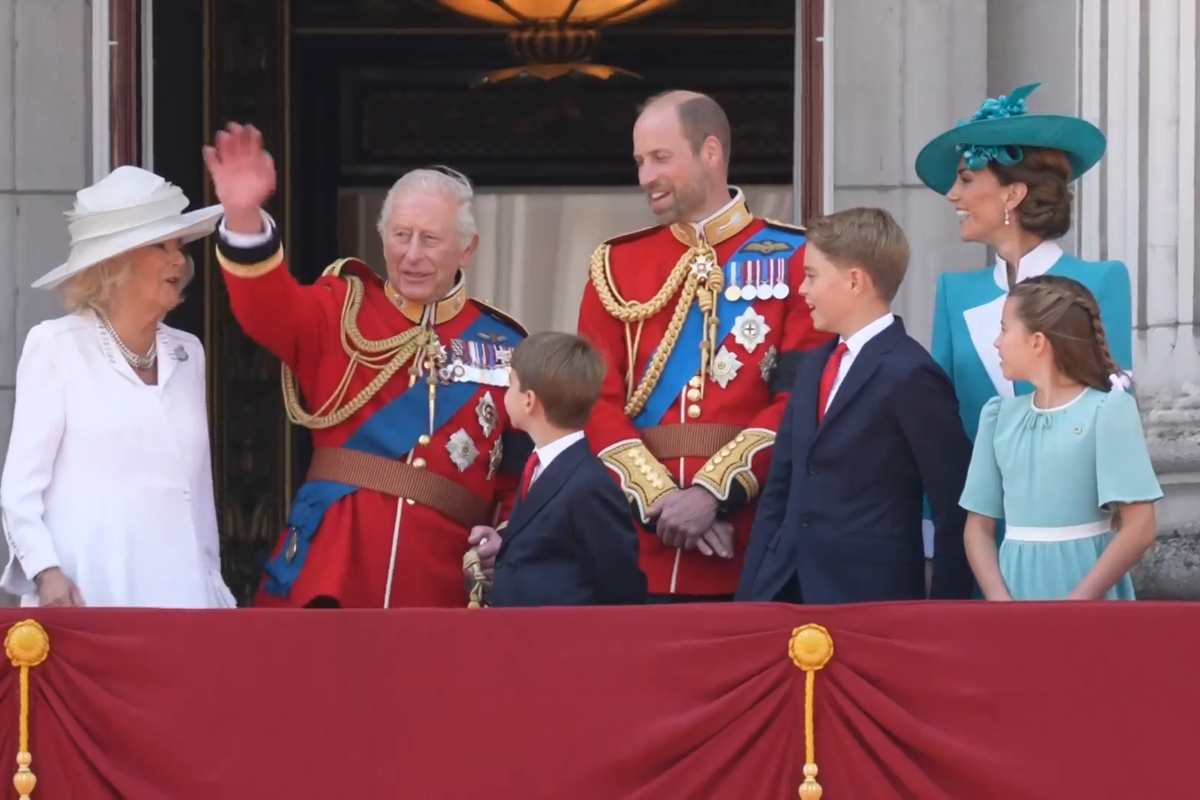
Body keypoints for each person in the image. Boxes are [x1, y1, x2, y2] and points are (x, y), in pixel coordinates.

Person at [202, 123, 531, 609]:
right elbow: (266, 308)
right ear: (382, 236)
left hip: (441, 585)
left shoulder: (505, 344)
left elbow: (519, 472)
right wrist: (245, 217)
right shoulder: (341, 308)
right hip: (332, 572)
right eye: (401, 235)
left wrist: (506, 535)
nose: (412, 254)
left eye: (430, 239)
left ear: (468, 247)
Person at [577, 90, 830, 603]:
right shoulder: (615, 266)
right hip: (638, 546)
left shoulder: (798, 257)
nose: (646, 176)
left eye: (661, 158)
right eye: (640, 161)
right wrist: (662, 498)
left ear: (710, 152)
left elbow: (801, 400)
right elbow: (592, 401)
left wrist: (714, 492)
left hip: (749, 539)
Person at [915, 81, 1132, 562]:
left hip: (1073, 540)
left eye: (967, 180)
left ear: (1012, 193)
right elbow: (940, 426)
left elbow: (1115, 410)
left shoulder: (1099, 281)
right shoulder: (955, 292)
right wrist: (932, 533)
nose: (953, 194)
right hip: (977, 540)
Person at [0, 166, 236, 608]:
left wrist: (213, 588)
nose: (179, 260)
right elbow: (19, 489)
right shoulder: (57, 346)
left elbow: (196, 493)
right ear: (114, 262)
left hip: (181, 603)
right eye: (161, 246)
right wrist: (45, 571)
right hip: (89, 598)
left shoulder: (189, 353)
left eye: (179, 247)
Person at [736, 208, 974, 604]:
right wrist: (749, 597)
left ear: (854, 281)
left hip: (868, 598)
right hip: (782, 590)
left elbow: (953, 504)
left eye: (811, 276)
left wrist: (945, 613)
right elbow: (780, 488)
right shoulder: (813, 365)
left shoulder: (911, 373)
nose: (801, 290)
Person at [961, 275, 1161, 600]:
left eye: (1004, 329)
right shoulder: (998, 417)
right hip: (1014, 594)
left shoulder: (1107, 410)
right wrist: (1000, 602)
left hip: (1086, 595)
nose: (996, 342)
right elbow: (977, 526)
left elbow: (1140, 526)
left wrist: (1076, 601)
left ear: (1037, 341)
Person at [488, 332, 647, 607]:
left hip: (562, 640)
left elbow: (620, 583)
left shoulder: (588, 484)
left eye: (509, 384)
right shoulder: (538, 465)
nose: (505, 393)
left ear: (529, 400)